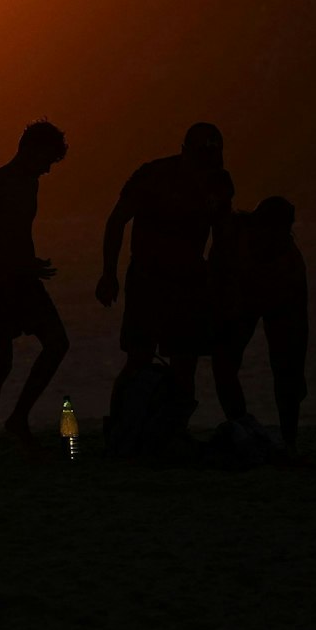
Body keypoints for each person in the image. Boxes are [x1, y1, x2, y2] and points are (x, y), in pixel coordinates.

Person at [95, 123, 235, 415]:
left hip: (191, 283)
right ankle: (120, 426)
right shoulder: (153, 175)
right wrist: (109, 274)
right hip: (148, 280)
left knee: (185, 362)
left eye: (211, 157)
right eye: (201, 156)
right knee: (139, 358)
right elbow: (117, 220)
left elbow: (222, 237)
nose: (205, 164)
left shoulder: (219, 183)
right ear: (184, 151)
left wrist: (222, 285)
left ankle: (174, 430)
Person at [0, 121, 71, 453]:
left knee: (57, 343)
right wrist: (22, 262)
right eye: (47, 160)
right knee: (0, 363)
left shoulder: (31, 183)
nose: (47, 169)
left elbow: (19, 233)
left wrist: (29, 262)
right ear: (31, 150)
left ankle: (18, 416)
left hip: (23, 278)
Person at [211, 196, 309, 450]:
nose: (279, 238)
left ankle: (289, 439)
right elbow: (217, 263)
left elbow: (299, 323)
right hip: (243, 295)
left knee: (287, 370)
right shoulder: (235, 232)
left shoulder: (291, 261)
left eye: (284, 231)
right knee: (224, 362)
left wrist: (299, 369)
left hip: (278, 296)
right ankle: (241, 424)